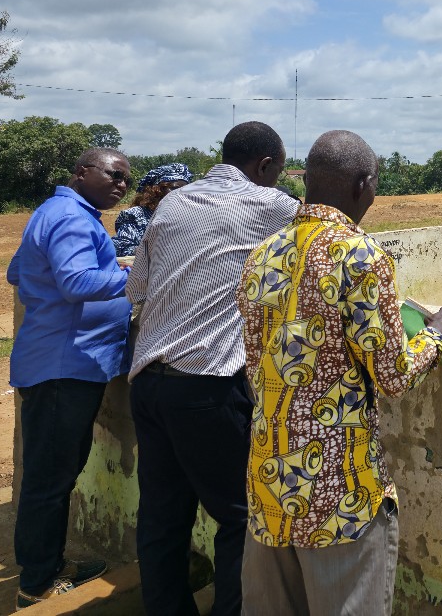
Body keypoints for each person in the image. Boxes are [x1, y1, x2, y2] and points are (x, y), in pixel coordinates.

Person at [237, 129, 442, 616]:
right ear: (362, 184)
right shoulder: (359, 255)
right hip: (340, 495)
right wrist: (438, 333)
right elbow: (393, 376)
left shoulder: (263, 255)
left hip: (268, 485)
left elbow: (256, 364)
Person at [125, 122, 299, 616]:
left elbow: (135, 289)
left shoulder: (174, 202)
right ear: (265, 166)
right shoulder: (274, 205)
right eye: (278, 172)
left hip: (148, 383)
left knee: (163, 518)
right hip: (207, 388)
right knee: (241, 519)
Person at [6, 148, 135, 609]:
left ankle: (47, 567)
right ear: (82, 172)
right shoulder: (74, 219)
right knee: (51, 480)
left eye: (126, 178)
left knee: (51, 474)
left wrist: (109, 268)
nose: (121, 184)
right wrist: (132, 273)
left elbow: (16, 272)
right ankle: (37, 584)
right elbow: (78, 283)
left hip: (53, 360)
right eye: (113, 174)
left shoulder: (54, 210)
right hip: (65, 365)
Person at [112, 162, 193, 257]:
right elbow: (122, 248)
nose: (180, 193)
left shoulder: (190, 215)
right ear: (157, 190)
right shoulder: (136, 215)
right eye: (174, 188)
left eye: (185, 189)